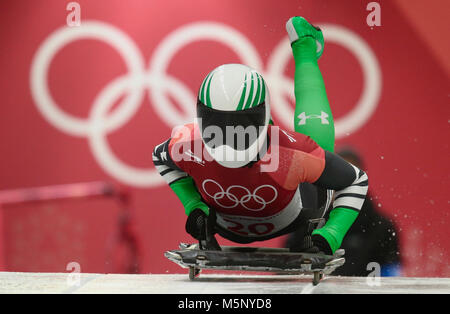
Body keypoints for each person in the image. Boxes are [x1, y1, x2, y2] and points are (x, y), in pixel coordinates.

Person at [152, 17, 369, 255]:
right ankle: (305, 47)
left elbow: (355, 180)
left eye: (241, 123)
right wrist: (194, 206)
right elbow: (356, 180)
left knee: (315, 163)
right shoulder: (187, 143)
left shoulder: (289, 153)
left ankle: (305, 48)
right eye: (220, 123)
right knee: (314, 159)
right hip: (264, 218)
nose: (230, 136)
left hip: (275, 216)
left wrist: (331, 235)